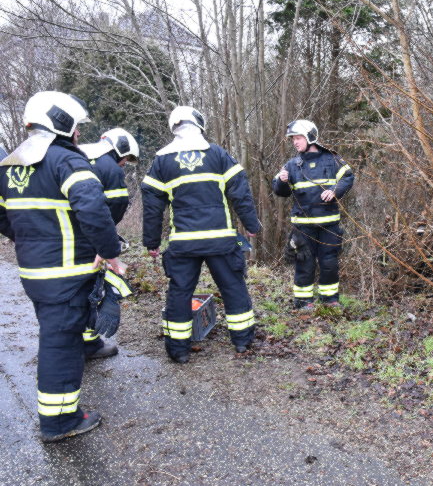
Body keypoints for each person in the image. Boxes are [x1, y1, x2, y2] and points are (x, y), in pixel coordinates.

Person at [0, 91, 125, 442]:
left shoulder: (9, 167)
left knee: (58, 337)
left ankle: (59, 415)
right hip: (67, 274)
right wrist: (109, 251)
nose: (79, 135)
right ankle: (59, 421)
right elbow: (92, 208)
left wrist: (33, 237)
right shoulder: (65, 161)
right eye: (76, 127)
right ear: (62, 122)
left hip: (34, 272)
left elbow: (4, 217)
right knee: (62, 345)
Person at [141, 106, 261, 364]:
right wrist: (251, 224)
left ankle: (178, 350)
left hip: (184, 243)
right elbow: (240, 190)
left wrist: (151, 242)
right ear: (199, 124)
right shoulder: (217, 154)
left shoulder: (161, 161)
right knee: (233, 287)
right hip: (221, 239)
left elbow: (152, 206)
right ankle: (242, 341)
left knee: (180, 292)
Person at [272, 119, 354, 309]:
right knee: (304, 263)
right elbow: (279, 191)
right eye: (293, 139)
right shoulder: (291, 165)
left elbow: (348, 177)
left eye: (298, 138)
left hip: (330, 225)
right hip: (303, 227)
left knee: (329, 263)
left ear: (310, 137)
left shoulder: (332, 159)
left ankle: (330, 300)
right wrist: (282, 181)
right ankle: (302, 302)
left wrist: (335, 190)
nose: (295, 142)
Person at [78, 128, 139, 360]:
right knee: (91, 289)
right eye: (126, 159)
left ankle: (70, 341)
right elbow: (117, 204)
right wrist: (106, 241)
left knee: (71, 290)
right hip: (91, 239)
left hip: (66, 236)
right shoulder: (110, 168)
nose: (124, 164)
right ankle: (89, 345)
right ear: (120, 149)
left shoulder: (75, 156)